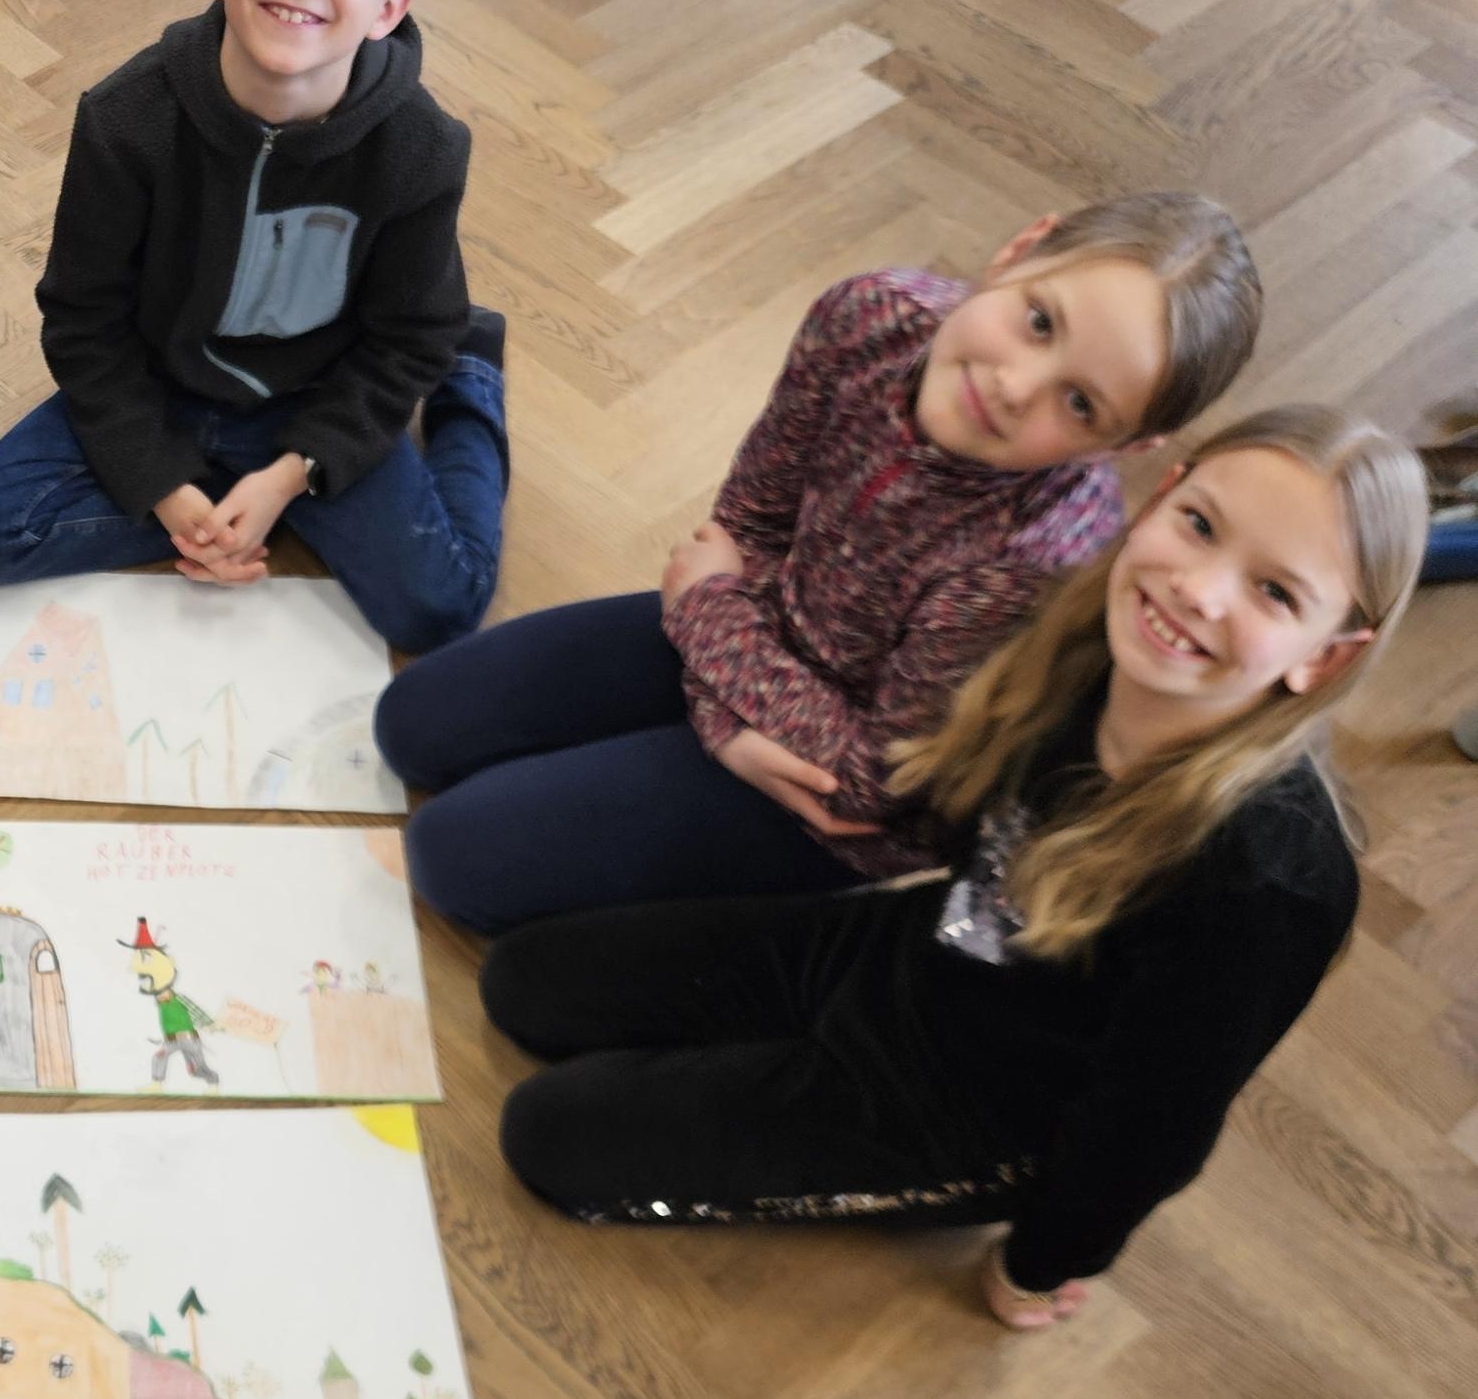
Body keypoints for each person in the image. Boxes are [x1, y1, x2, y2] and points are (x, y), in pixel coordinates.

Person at [479, 408, 1427, 1328]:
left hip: (968, 1113)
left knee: (548, 1135)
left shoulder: (1265, 886)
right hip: (917, 952)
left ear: (1325, 659)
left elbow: (1149, 1130)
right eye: (1200, 525)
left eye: (1274, 593)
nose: (1199, 589)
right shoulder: (1077, 644)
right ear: (1160, 495)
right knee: (526, 980)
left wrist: (1041, 1263)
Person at [376, 191, 1262, 932]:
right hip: (748, 633)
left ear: (1125, 447)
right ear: (1023, 247)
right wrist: (725, 708)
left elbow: (874, 779)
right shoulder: (869, 315)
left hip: (827, 801)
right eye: (1038, 321)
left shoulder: (1032, 559)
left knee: (452, 861)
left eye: (1079, 404)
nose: (1012, 386)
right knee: (410, 724)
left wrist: (707, 632)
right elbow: (748, 519)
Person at [0, 0, 507, 653]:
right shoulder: (124, 119)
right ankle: (243, 504)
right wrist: (168, 488)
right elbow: (83, 321)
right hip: (162, 387)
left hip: (318, 399)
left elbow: (406, 341)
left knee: (439, 607)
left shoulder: (422, 149)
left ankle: (474, 376)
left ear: (389, 7)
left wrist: (292, 475)